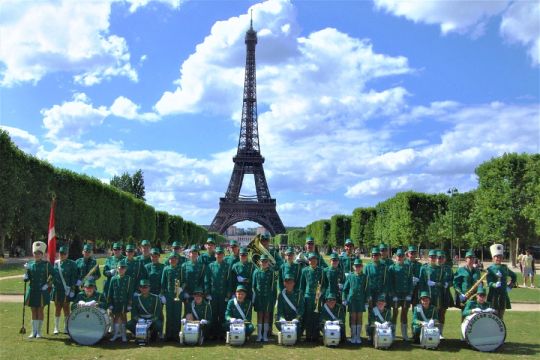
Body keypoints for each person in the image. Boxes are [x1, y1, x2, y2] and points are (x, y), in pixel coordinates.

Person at [23, 241, 54, 338]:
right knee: (33, 310)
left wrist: (48, 284)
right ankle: (33, 331)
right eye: (35, 253)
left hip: (42, 291)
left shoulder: (47, 264)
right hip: (32, 290)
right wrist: (25, 276)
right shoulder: (30, 264)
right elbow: (28, 278)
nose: (37, 255)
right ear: (33, 254)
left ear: (43, 254)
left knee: (40, 310)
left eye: (39, 253)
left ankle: (39, 332)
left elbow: (54, 275)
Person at [51, 246, 78, 334]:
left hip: (67, 289)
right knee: (57, 308)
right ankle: (56, 327)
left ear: (67, 254)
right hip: (57, 289)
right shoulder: (55, 263)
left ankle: (66, 327)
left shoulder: (72, 264)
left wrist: (73, 289)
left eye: (64, 254)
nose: (62, 255)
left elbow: (73, 277)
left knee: (66, 308)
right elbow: (52, 275)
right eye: (61, 254)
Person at [208, 246, 233, 340]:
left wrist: (228, 292)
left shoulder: (227, 266)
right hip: (213, 293)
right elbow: (207, 279)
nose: (219, 255)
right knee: (214, 314)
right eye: (217, 254)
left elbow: (229, 281)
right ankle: (214, 333)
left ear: (223, 255)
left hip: (223, 293)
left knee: (222, 313)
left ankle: (222, 333)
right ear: (215, 255)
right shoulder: (211, 265)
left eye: (221, 254)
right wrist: (207, 292)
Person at [487, 244, 517, 320]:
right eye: (496, 256)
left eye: (500, 256)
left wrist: (510, 286)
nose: (498, 258)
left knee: (501, 316)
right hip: (494, 295)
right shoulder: (490, 269)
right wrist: (494, 284)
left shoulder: (505, 268)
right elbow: (489, 282)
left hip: (503, 294)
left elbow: (514, 276)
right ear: (493, 258)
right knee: (493, 316)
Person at [388, 249, 413, 341]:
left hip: (405, 294)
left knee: (404, 313)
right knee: (394, 313)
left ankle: (404, 334)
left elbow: (410, 281)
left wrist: (410, 293)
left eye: (402, 256)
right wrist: (393, 294)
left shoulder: (408, 267)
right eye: (398, 256)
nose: (400, 258)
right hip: (396, 294)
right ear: (395, 257)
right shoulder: (392, 267)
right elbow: (390, 283)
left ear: (404, 257)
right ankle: (393, 333)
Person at [107, 259, 134, 342]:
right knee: (116, 317)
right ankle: (116, 334)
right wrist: (110, 303)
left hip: (124, 302)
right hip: (115, 302)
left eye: (123, 268)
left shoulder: (128, 279)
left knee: (123, 317)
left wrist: (130, 303)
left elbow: (130, 292)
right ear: (117, 269)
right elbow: (110, 292)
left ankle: (124, 335)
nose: (121, 270)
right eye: (119, 268)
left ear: (125, 269)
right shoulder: (113, 279)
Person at [252, 254, 277, 342]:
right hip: (259, 297)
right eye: (262, 261)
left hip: (268, 298)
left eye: (266, 261)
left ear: (268, 262)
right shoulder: (256, 272)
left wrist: (274, 299)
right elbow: (254, 286)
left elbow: (273, 288)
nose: (264, 263)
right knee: (259, 316)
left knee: (266, 316)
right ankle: (259, 335)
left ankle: (265, 335)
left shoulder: (272, 272)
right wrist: (254, 298)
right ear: (259, 262)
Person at [342, 258, 367, 344]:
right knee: (353, 317)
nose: (358, 268)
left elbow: (367, 290)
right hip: (351, 300)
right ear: (353, 267)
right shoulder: (350, 276)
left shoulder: (365, 277)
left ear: (362, 267)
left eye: (359, 266)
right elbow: (345, 289)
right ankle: (353, 336)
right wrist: (344, 299)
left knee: (359, 317)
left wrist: (366, 301)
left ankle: (358, 336)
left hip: (361, 300)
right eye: (356, 266)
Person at [300, 252, 323, 342]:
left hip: (317, 296)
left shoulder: (321, 271)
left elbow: (323, 284)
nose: (312, 261)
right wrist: (302, 296)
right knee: (308, 315)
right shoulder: (304, 270)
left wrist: (321, 292)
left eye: (314, 259)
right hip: (307, 296)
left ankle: (316, 335)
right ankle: (308, 335)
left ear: (317, 260)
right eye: (310, 260)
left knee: (316, 315)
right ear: (308, 261)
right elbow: (302, 285)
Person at [275, 272, 304, 339]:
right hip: (285, 318)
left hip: (295, 318)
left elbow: (301, 308)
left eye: (291, 282)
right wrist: (282, 318)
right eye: (287, 282)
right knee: (278, 323)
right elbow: (280, 309)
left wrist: (297, 318)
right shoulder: (281, 295)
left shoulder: (299, 293)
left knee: (297, 334)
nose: (289, 284)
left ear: (294, 283)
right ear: (284, 284)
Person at [161, 253, 182, 341]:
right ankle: (168, 334)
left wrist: (181, 289)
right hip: (169, 295)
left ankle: (176, 335)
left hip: (178, 295)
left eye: (175, 259)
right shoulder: (166, 269)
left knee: (177, 315)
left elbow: (184, 281)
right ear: (169, 260)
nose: (173, 260)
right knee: (169, 315)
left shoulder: (180, 269)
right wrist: (162, 295)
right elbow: (163, 283)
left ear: (177, 260)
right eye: (171, 259)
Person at [436, 250, 454, 338]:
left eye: (442, 258)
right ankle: (433, 331)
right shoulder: (433, 268)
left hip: (445, 293)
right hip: (435, 294)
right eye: (439, 258)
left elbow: (452, 280)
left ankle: (440, 332)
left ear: (445, 259)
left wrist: (449, 284)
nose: (440, 259)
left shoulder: (448, 269)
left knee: (442, 313)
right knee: (434, 313)